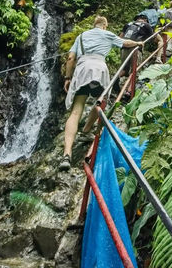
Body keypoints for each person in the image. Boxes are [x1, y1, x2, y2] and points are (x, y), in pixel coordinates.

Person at [60, 15, 143, 171]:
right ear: (105, 25)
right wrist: (138, 42)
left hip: (83, 69)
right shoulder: (108, 34)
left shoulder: (82, 36)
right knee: (101, 103)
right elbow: (126, 43)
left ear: (94, 25)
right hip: (99, 70)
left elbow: (71, 58)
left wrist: (67, 78)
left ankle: (67, 154)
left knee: (76, 111)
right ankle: (86, 131)